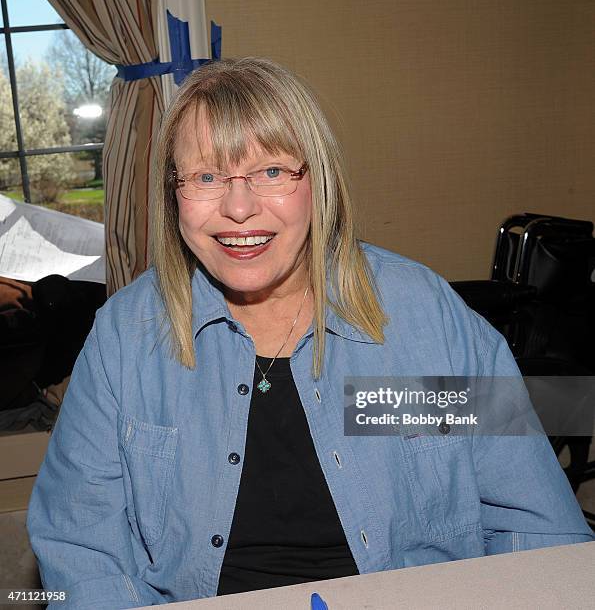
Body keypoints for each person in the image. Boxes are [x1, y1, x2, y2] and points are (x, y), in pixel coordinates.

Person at [27, 58, 594, 609]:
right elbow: (82, 550)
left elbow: (535, 523)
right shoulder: (126, 336)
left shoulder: (422, 318)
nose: (239, 208)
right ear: (173, 193)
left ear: (317, 181)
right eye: (205, 177)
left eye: (272, 172)